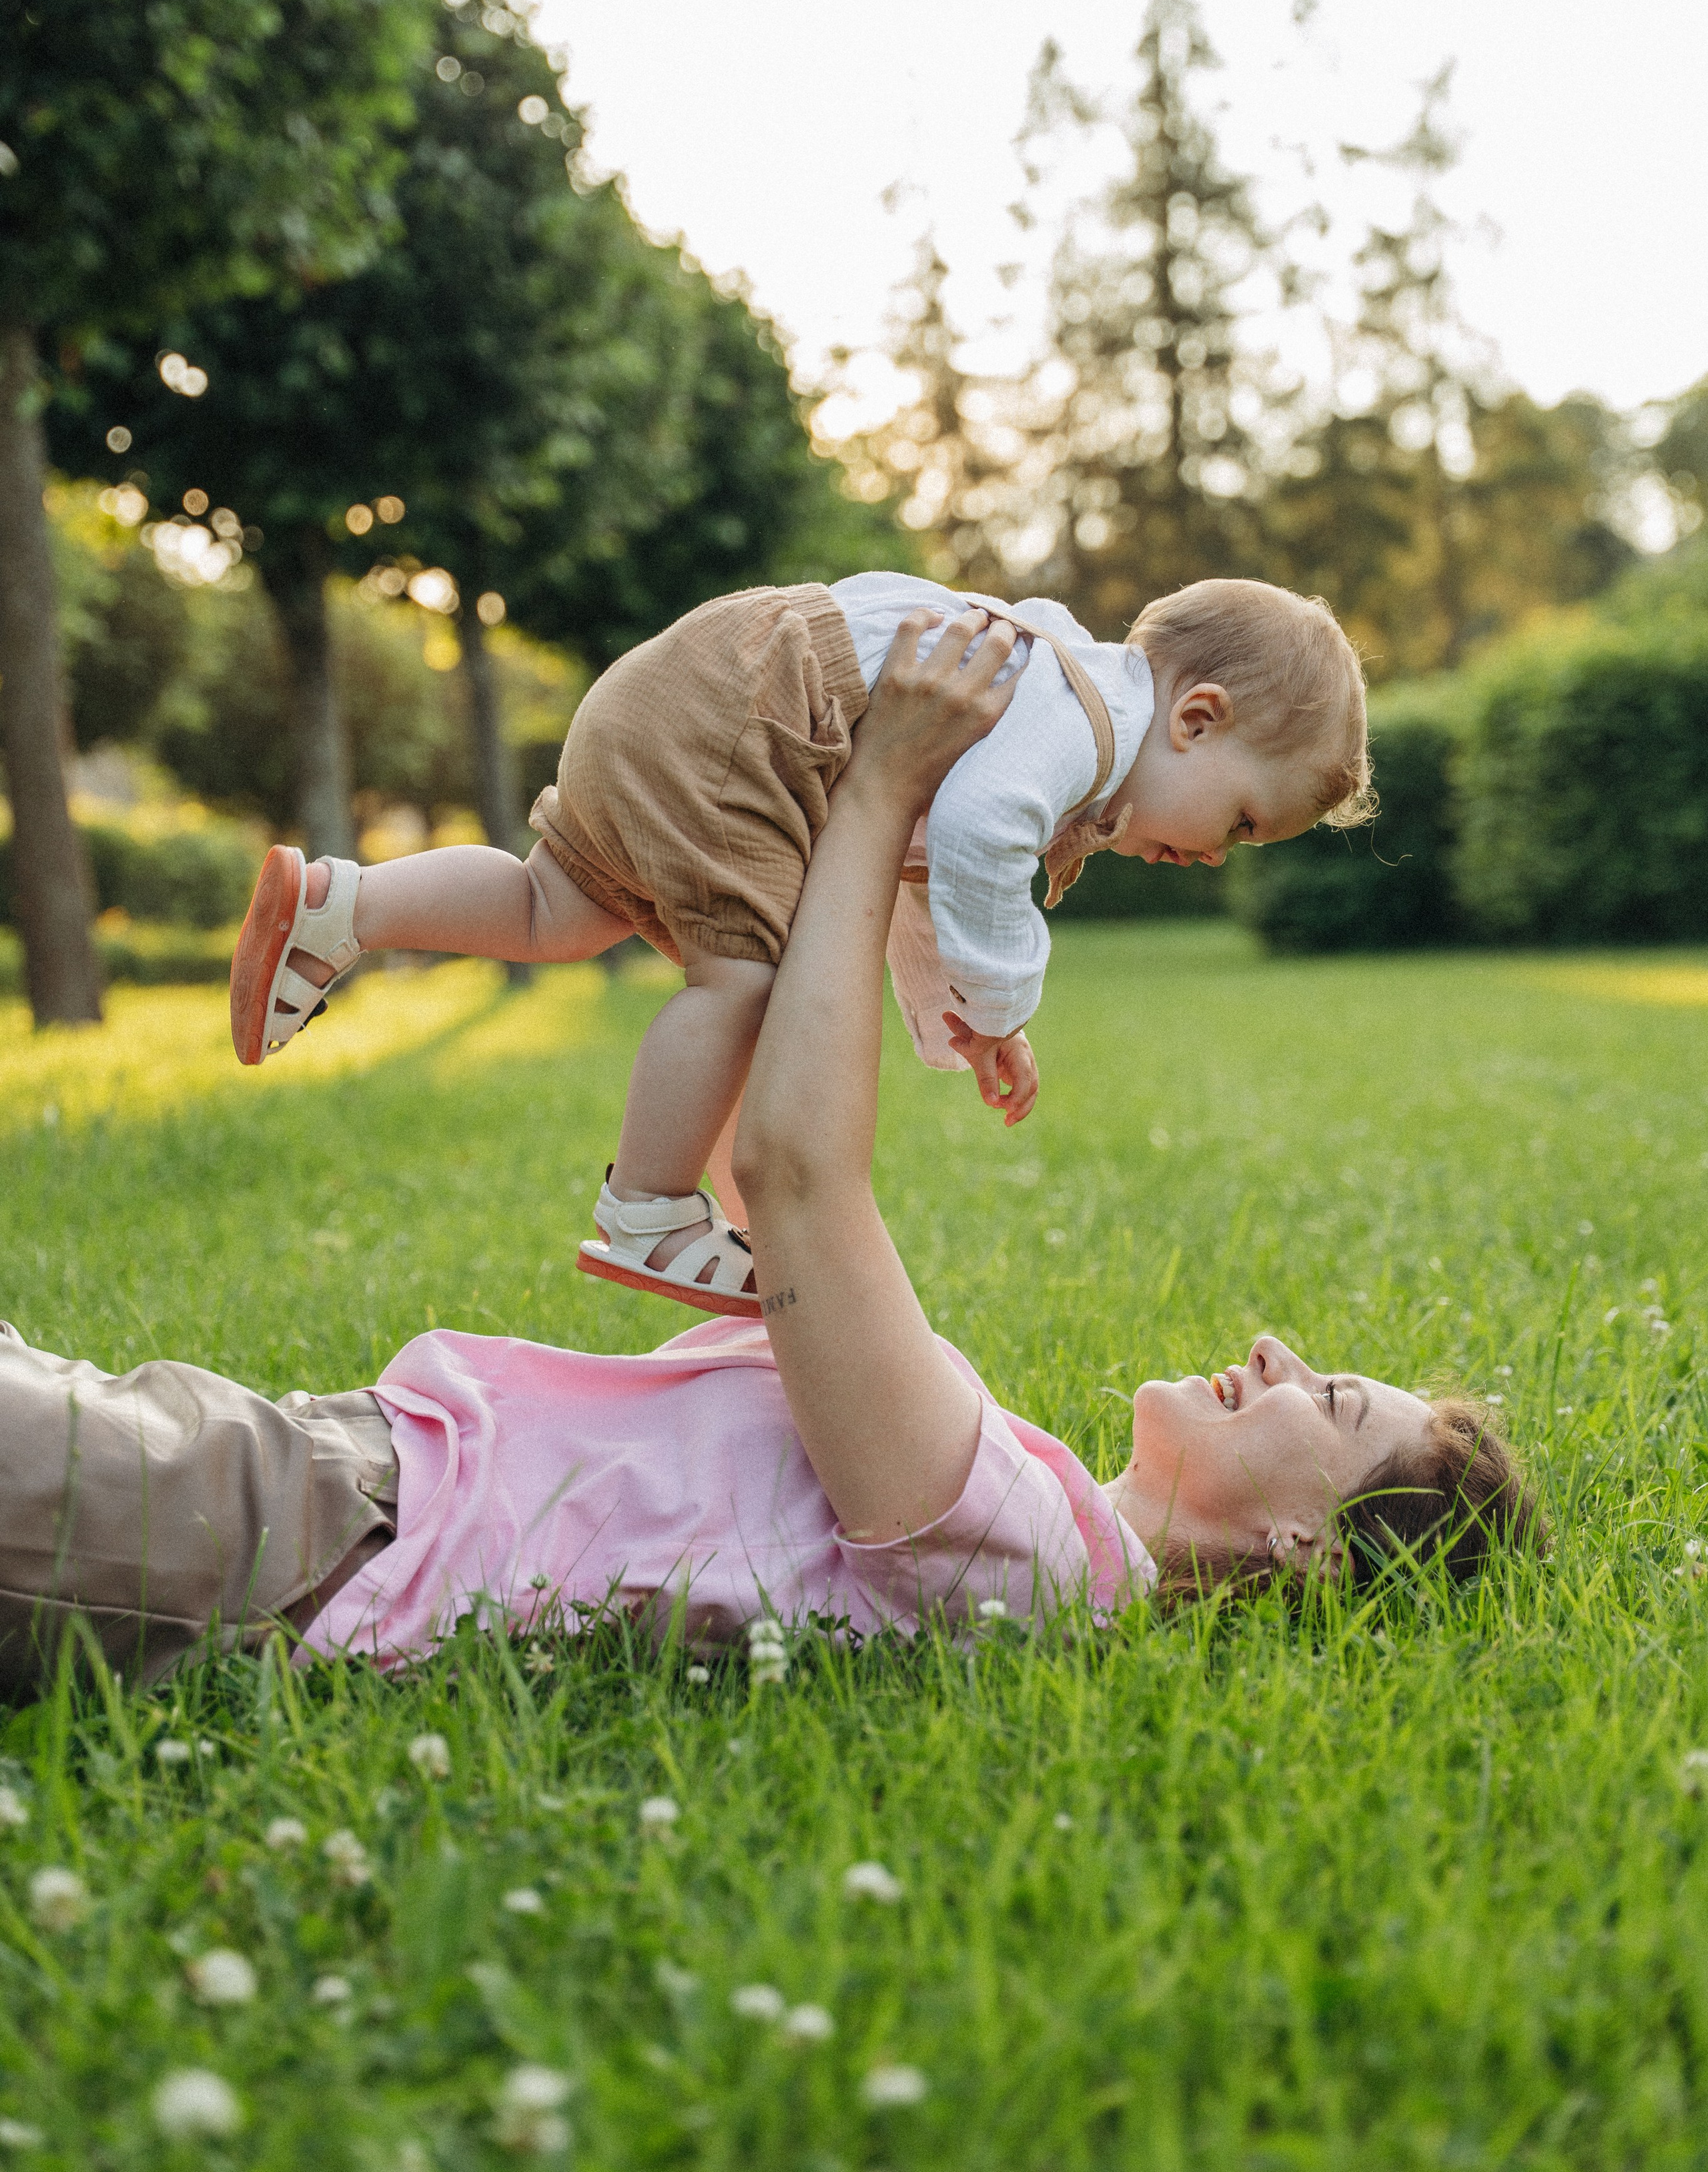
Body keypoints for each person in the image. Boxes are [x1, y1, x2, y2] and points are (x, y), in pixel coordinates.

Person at [0, 610, 1539, 1704]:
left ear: (1302, 1546)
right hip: (315, 1474)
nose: (1278, 1350)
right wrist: (874, 875)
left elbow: (801, 1186)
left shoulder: (1036, 1565)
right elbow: (766, 1172)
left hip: (307, 1546)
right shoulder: (1022, 1483)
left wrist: (872, 790)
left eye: (1329, 1401)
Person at [229, 573, 1370, 1321]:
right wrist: (1009, 997)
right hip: (757, 712)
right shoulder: (1083, 720)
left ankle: (342, 907)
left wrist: (962, 1021)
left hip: (690, 686)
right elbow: (980, 842)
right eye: (1242, 822)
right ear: (1198, 718)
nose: (1220, 856)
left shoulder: (1058, 708)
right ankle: (651, 1211)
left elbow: (917, 878)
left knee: (555, 909)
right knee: (748, 979)